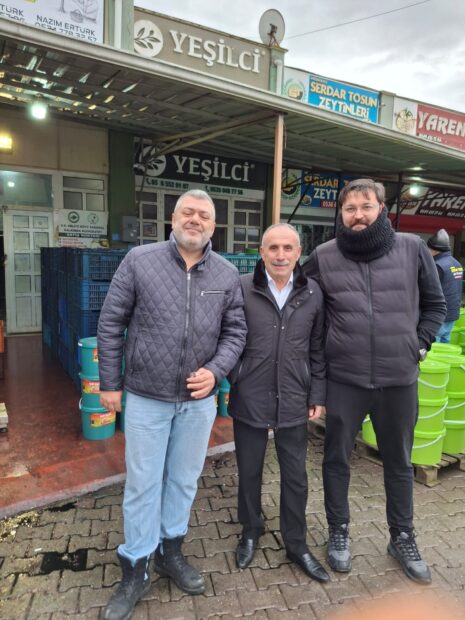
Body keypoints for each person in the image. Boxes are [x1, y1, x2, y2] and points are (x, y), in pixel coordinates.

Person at [97, 189, 247, 620]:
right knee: (143, 484)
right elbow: (111, 321)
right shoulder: (139, 261)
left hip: (198, 402)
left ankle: (170, 550)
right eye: (188, 212)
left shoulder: (225, 273)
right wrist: (110, 383)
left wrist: (215, 371)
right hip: (147, 396)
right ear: (173, 218)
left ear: (213, 226)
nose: (195, 220)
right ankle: (136, 566)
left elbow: (235, 332)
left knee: (183, 479)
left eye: (204, 215)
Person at [303, 178, 446, 585]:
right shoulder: (324, 256)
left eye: (366, 206)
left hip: (398, 379)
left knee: (399, 462)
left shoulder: (411, 249)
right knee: (336, 459)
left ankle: (402, 537)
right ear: (341, 214)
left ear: (381, 209)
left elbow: (436, 305)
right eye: (350, 209)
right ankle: (339, 531)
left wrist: (419, 345)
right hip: (344, 379)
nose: (358, 215)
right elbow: (303, 304)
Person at [229, 223, 329, 582]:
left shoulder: (313, 292)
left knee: (296, 475)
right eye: (273, 248)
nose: (281, 255)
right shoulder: (242, 287)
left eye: (288, 248)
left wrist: (317, 393)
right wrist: (236, 376)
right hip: (250, 393)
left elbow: (318, 348)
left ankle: (296, 542)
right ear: (261, 252)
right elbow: (227, 337)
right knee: (249, 470)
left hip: (294, 395)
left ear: (299, 252)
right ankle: (250, 530)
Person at [427, 228, 463, 343]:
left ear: (435, 250)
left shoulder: (437, 265)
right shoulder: (457, 264)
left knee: (434, 346)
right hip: (452, 312)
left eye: (428, 248)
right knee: (445, 344)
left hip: (439, 314)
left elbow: (429, 290)